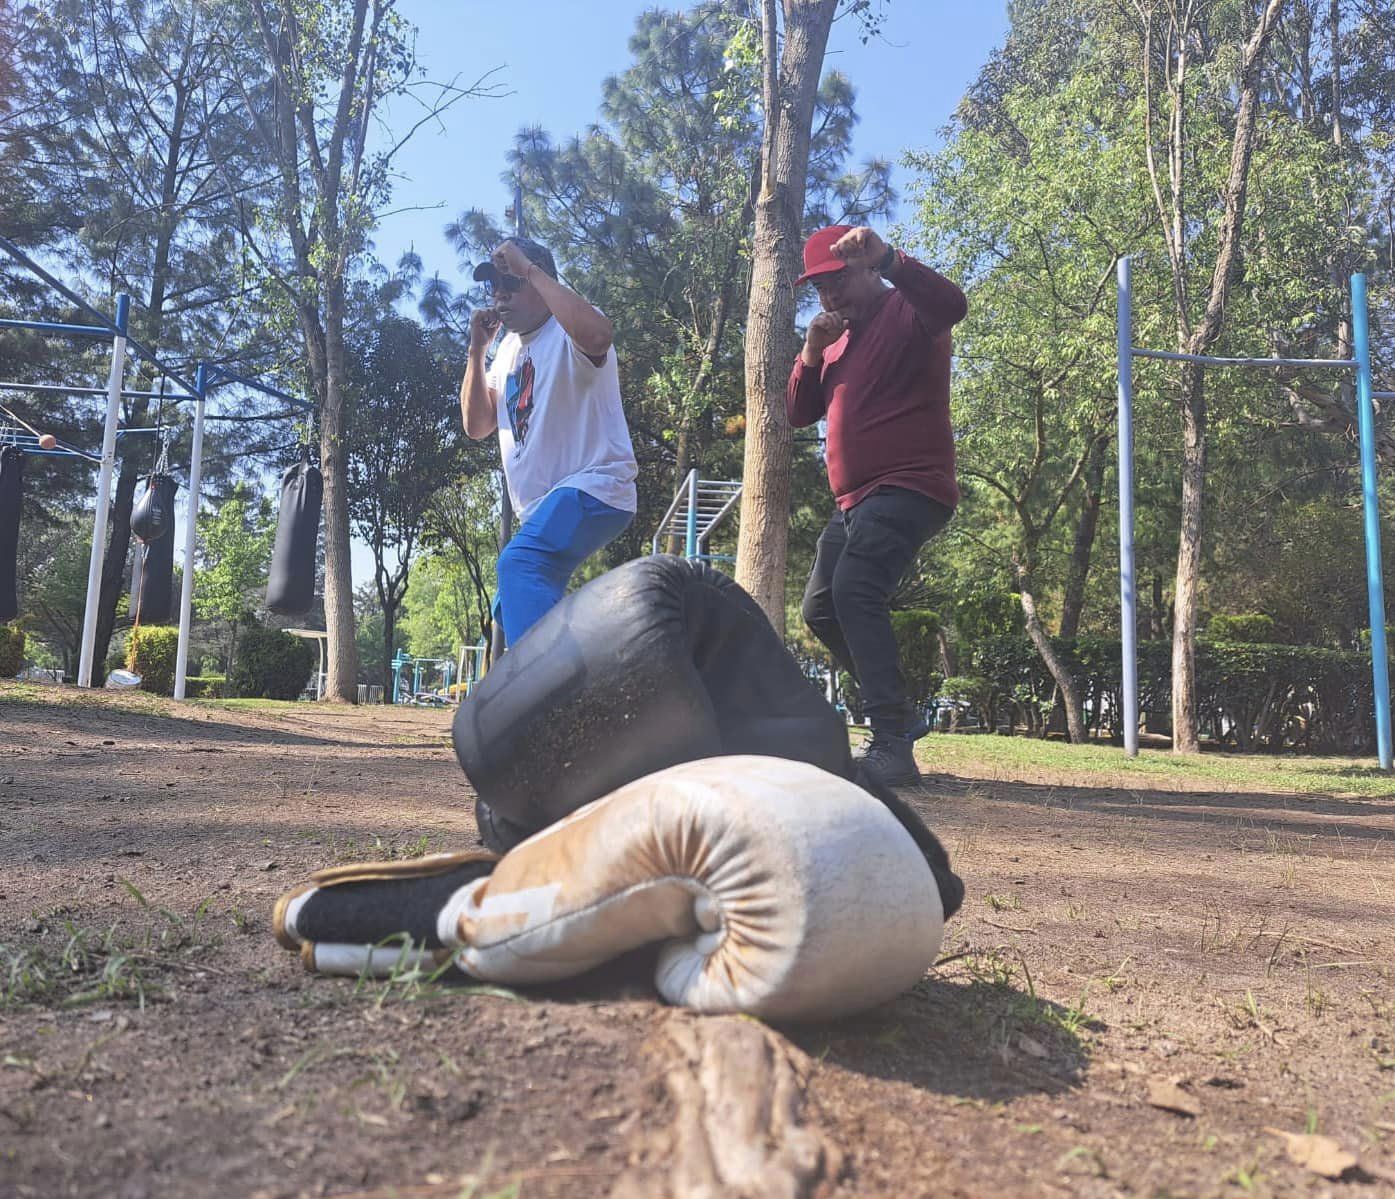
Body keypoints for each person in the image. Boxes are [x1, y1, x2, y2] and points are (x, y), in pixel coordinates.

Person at [787, 224, 968, 786]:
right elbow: (798, 412)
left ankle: (891, 741)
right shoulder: (836, 342)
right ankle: (901, 712)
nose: (829, 297)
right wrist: (812, 351)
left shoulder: (909, 313)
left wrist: (891, 257)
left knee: (855, 589)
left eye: (838, 280)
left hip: (909, 484)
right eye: (819, 289)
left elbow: (952, 303)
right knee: (820, 608)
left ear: (867, 267)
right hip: (854, 503)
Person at [460, 237, 638, 647]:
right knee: (511, 602)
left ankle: (548, 700)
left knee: (522, 564)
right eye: (493, 284)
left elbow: (598, 337)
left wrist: (532, 272)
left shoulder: (567, 326)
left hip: (594, 485)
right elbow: (477, 424)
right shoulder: (505, 351)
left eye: (511, 281)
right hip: (544, 508)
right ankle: (598, 674)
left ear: (539, 282)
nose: (499, 292)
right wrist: (476, 351)